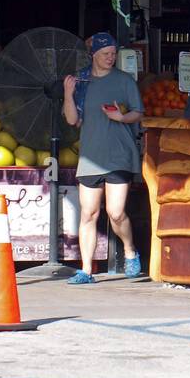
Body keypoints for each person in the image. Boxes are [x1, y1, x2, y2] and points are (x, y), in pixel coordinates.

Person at [61, 32, 144, 284]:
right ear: (94, 55)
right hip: (90, 155)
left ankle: (130, 251)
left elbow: (138, 113)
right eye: (106, 54)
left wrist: (121, 117)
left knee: (116, 212)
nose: (111, 58)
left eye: (113, 54)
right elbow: (73, 120)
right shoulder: (83, 81)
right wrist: (67, 93)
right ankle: (86, 270)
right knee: (88, 213)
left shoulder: (125, 80)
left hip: (119, 153)